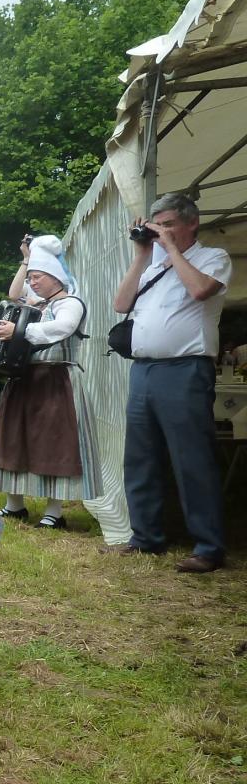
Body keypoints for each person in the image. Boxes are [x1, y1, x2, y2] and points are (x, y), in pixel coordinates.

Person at [112, 193, 231, 573]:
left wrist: (171, 251)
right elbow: (120, 303)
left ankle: (208, 546)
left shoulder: (213, 257)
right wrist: (142, 256)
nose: (161, 231)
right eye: (156, 224)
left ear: (191, 223)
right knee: (140, 457)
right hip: (144, 369)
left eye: (168, 224)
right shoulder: (152, 265)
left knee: (191, 459)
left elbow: (200, 291)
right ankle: (145, 537)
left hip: (186, 368)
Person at [0, 235, 102, 530]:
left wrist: (20, 331)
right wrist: (26, 260)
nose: (33, 282)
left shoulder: (71, 303)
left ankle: (55, 510)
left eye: (37, 277)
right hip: (24, 379)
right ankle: (14, 505)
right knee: (13, 438)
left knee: (55, 443)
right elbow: (15, 294)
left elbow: (64, 327)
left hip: (57, 379)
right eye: (31, 278)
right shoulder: (34, 306)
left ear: (54, 277)